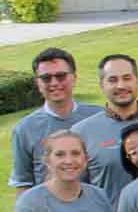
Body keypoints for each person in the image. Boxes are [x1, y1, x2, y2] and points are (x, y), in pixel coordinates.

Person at [11, 47, 102, 189]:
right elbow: (23, 183)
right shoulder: (25, 129)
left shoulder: (99, 118)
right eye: (46, 78)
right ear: (38, 83)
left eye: (61, 76)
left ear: (74, 78)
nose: (54, 83)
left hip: (98, 207)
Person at [73, 53, 138, 202]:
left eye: (127, 78)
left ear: (137, 81)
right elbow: (76, 190)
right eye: (112, 80)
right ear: (102, 85)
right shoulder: (81, 133)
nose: (121, 85)